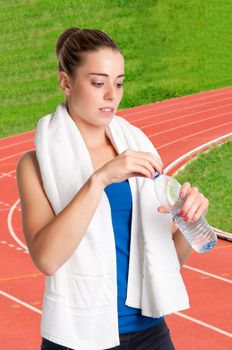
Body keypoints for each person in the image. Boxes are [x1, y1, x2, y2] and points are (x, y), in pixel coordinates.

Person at [16, 28, 209, 350]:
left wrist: (189, 221)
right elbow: (47, 259)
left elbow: (165, 264)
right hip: (78, 337)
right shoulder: (36, 165)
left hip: (150, 332)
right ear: (66, 82)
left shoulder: (138, 151)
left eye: (118, 83)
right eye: (97, 82)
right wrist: (100, 179)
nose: (111, 95)